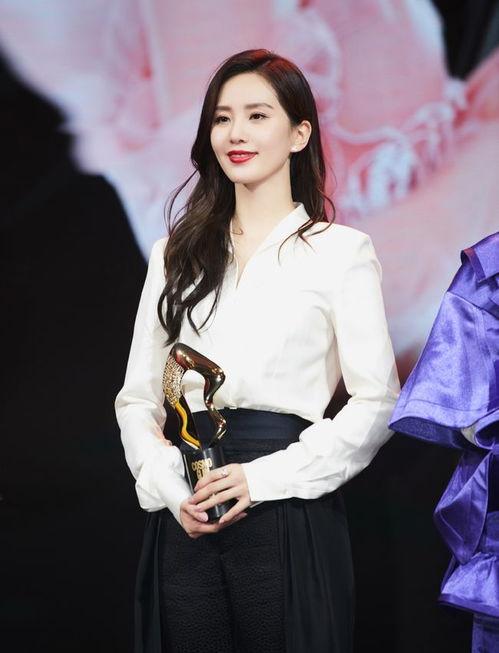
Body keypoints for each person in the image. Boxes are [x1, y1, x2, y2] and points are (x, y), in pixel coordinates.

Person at [115, 48, 400, 653]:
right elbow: (137, 399)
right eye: (222, 118)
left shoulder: (341, 252)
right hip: (189, 502)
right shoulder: (175, 254)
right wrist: (172, 487)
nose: (235, 134)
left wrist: (263, 478)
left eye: (257, 115)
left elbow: (377, 401)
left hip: (285, 500)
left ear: (300, 134)